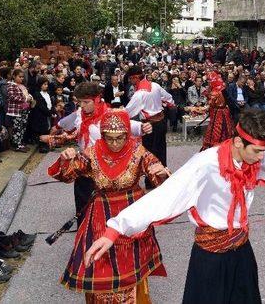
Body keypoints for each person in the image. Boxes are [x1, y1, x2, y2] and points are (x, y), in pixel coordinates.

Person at [84, 109, 265, 304]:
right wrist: (114, 230)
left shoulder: (255, 155)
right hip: (210, 255)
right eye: (256, 151)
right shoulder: (205, 164)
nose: (260, 158)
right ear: (237, 142)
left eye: (263, 153)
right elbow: (163, 196)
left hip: (241, 248)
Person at [48, 110, 170, 303]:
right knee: (100, 261)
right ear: (102, 135)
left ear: (128, 134)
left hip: (132, 211)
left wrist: (161, 173)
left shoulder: (138, 151)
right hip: (101, 213)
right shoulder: (92, 153)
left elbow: (157, 173)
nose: (114, 143)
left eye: (120, 138)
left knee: (130, 263)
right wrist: (65, 159)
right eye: (109, 138)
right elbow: (67, 175)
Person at [42, 82, 150, 224]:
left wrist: (142, 127)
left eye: (86, 102)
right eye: (79, 102)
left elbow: (127, 124)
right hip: (85, 164)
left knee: (109, 204)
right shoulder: (79, 116)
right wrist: (53, 132)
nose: (82, 106)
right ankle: (86, 232)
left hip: (106, 165)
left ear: (97, 99)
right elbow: (63, 123)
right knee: (84, 204)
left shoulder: (109, 114)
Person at [125, 65, 174, 188]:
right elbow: (169, 99)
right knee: (161, 151)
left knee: (149, 154)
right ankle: (163, 179)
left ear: (136, 78)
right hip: (161, 122)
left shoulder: (140, 94)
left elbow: (128, 113)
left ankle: (152, 182)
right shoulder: (156, 85)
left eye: (131, 79)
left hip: (150, 125)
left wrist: (118, 113)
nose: (130, 82)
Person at [200, 72, 235, 151]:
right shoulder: (222, 88)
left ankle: (216, 147)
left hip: (218, 113)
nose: (209, 82)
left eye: (209, 80)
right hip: (223, 112)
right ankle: (225, 146)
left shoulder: (215, 91)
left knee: (216, 130)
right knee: (225, 129)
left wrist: (207, 98)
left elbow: (211, 103)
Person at [6, 68, 32, 153]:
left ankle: (20, 143)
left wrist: (30, 97)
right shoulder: (11, 85)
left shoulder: (22, 86)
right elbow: (12, 96)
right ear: (14, 76)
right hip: (16, 110)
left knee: (22, 127)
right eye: (19, 77)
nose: (21, 78)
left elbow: (27, 95)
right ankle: (16, 145)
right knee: (17, 128)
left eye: (22, 77)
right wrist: (25, 98)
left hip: (24, 109)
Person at [30, 78, 53, 153]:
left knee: (47, 129)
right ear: (40, 85)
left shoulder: (48, 93)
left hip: (47, 115)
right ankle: (42, 146)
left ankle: (47, 143)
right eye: (44, 84)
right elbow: (41, 106)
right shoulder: (37, 94)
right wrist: (49, 113)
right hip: (41, 116)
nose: (46, 86)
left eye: (47, 84)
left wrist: (52, 111)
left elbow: (50, 103)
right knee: (42, 131)